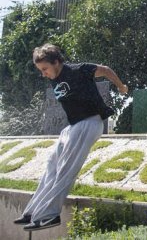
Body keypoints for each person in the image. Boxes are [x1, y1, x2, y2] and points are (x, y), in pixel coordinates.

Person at [13, 43, 128, 231]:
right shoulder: (53, 78)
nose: (44, 74)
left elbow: (106, 70)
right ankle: (34, 212)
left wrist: (121, 87)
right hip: (73, 127)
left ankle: (49, 215)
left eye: (45, 69)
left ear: (56, 62)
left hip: (90, 122)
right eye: (41, 70)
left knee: (66, 168)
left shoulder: (78, 70)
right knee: (52, 166)